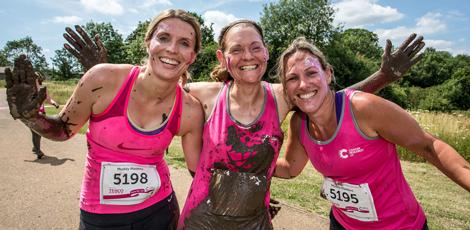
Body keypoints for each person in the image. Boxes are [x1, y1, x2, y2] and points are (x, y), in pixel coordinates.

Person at [62, 20, 424, 230]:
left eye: (255, 48)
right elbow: (156, 81)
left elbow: (326, 97)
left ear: (267, 52)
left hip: (254, 221)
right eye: (237, 50)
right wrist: (105, 75)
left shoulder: (282, 95)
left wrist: (382, 77)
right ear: (224, 58)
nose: (247, 57)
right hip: (201, 219)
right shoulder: (203, 95)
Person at [5, 9, 204, 229]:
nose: (172, 49)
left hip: (160, 212)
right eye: (164, 38)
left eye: (184, 43)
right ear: (148, 42)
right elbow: (62, 129)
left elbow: (199, 173)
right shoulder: (102, 78)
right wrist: (31, 117)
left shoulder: (190, 109)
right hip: (100, 215)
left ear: (192, 56)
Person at [274, 37, 470, 230]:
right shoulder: (299, 123)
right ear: (285, 88)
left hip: (400, 226)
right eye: (292, 78)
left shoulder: (364, 108)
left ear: (328, 74)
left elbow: (430, 146)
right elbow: (290, 168)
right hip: (342, 224)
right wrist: (246, 162)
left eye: (311, 73)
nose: (303, 84)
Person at [31, 74, 60, 159]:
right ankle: (38, 151)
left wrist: (54, 103)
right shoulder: (29, 89)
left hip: (42, 113)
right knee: (36, 133)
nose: (35, 79)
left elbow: (48, 99)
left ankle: (35, 147)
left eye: (36, 77)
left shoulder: (43, 89)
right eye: (34, 77)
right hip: (32, 114)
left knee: (39, 132)